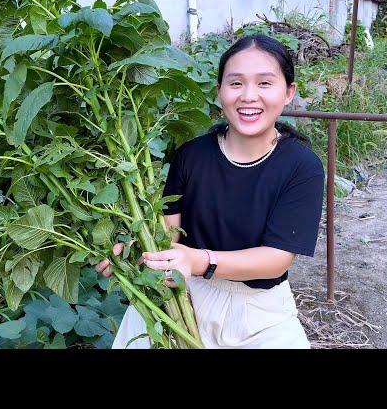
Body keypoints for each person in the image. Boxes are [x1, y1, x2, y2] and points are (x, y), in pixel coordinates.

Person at [95, 34, 325, 349]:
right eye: (235, 83)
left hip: (260, 313)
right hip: (182, 295)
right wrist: (132, 252)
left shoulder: (301, 166)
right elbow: (168, 235)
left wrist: (200, 260)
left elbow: (276, 258)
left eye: (264, 83)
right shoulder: (192, 155)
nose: (248, 96)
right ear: (219, 92)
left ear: (289, 92)